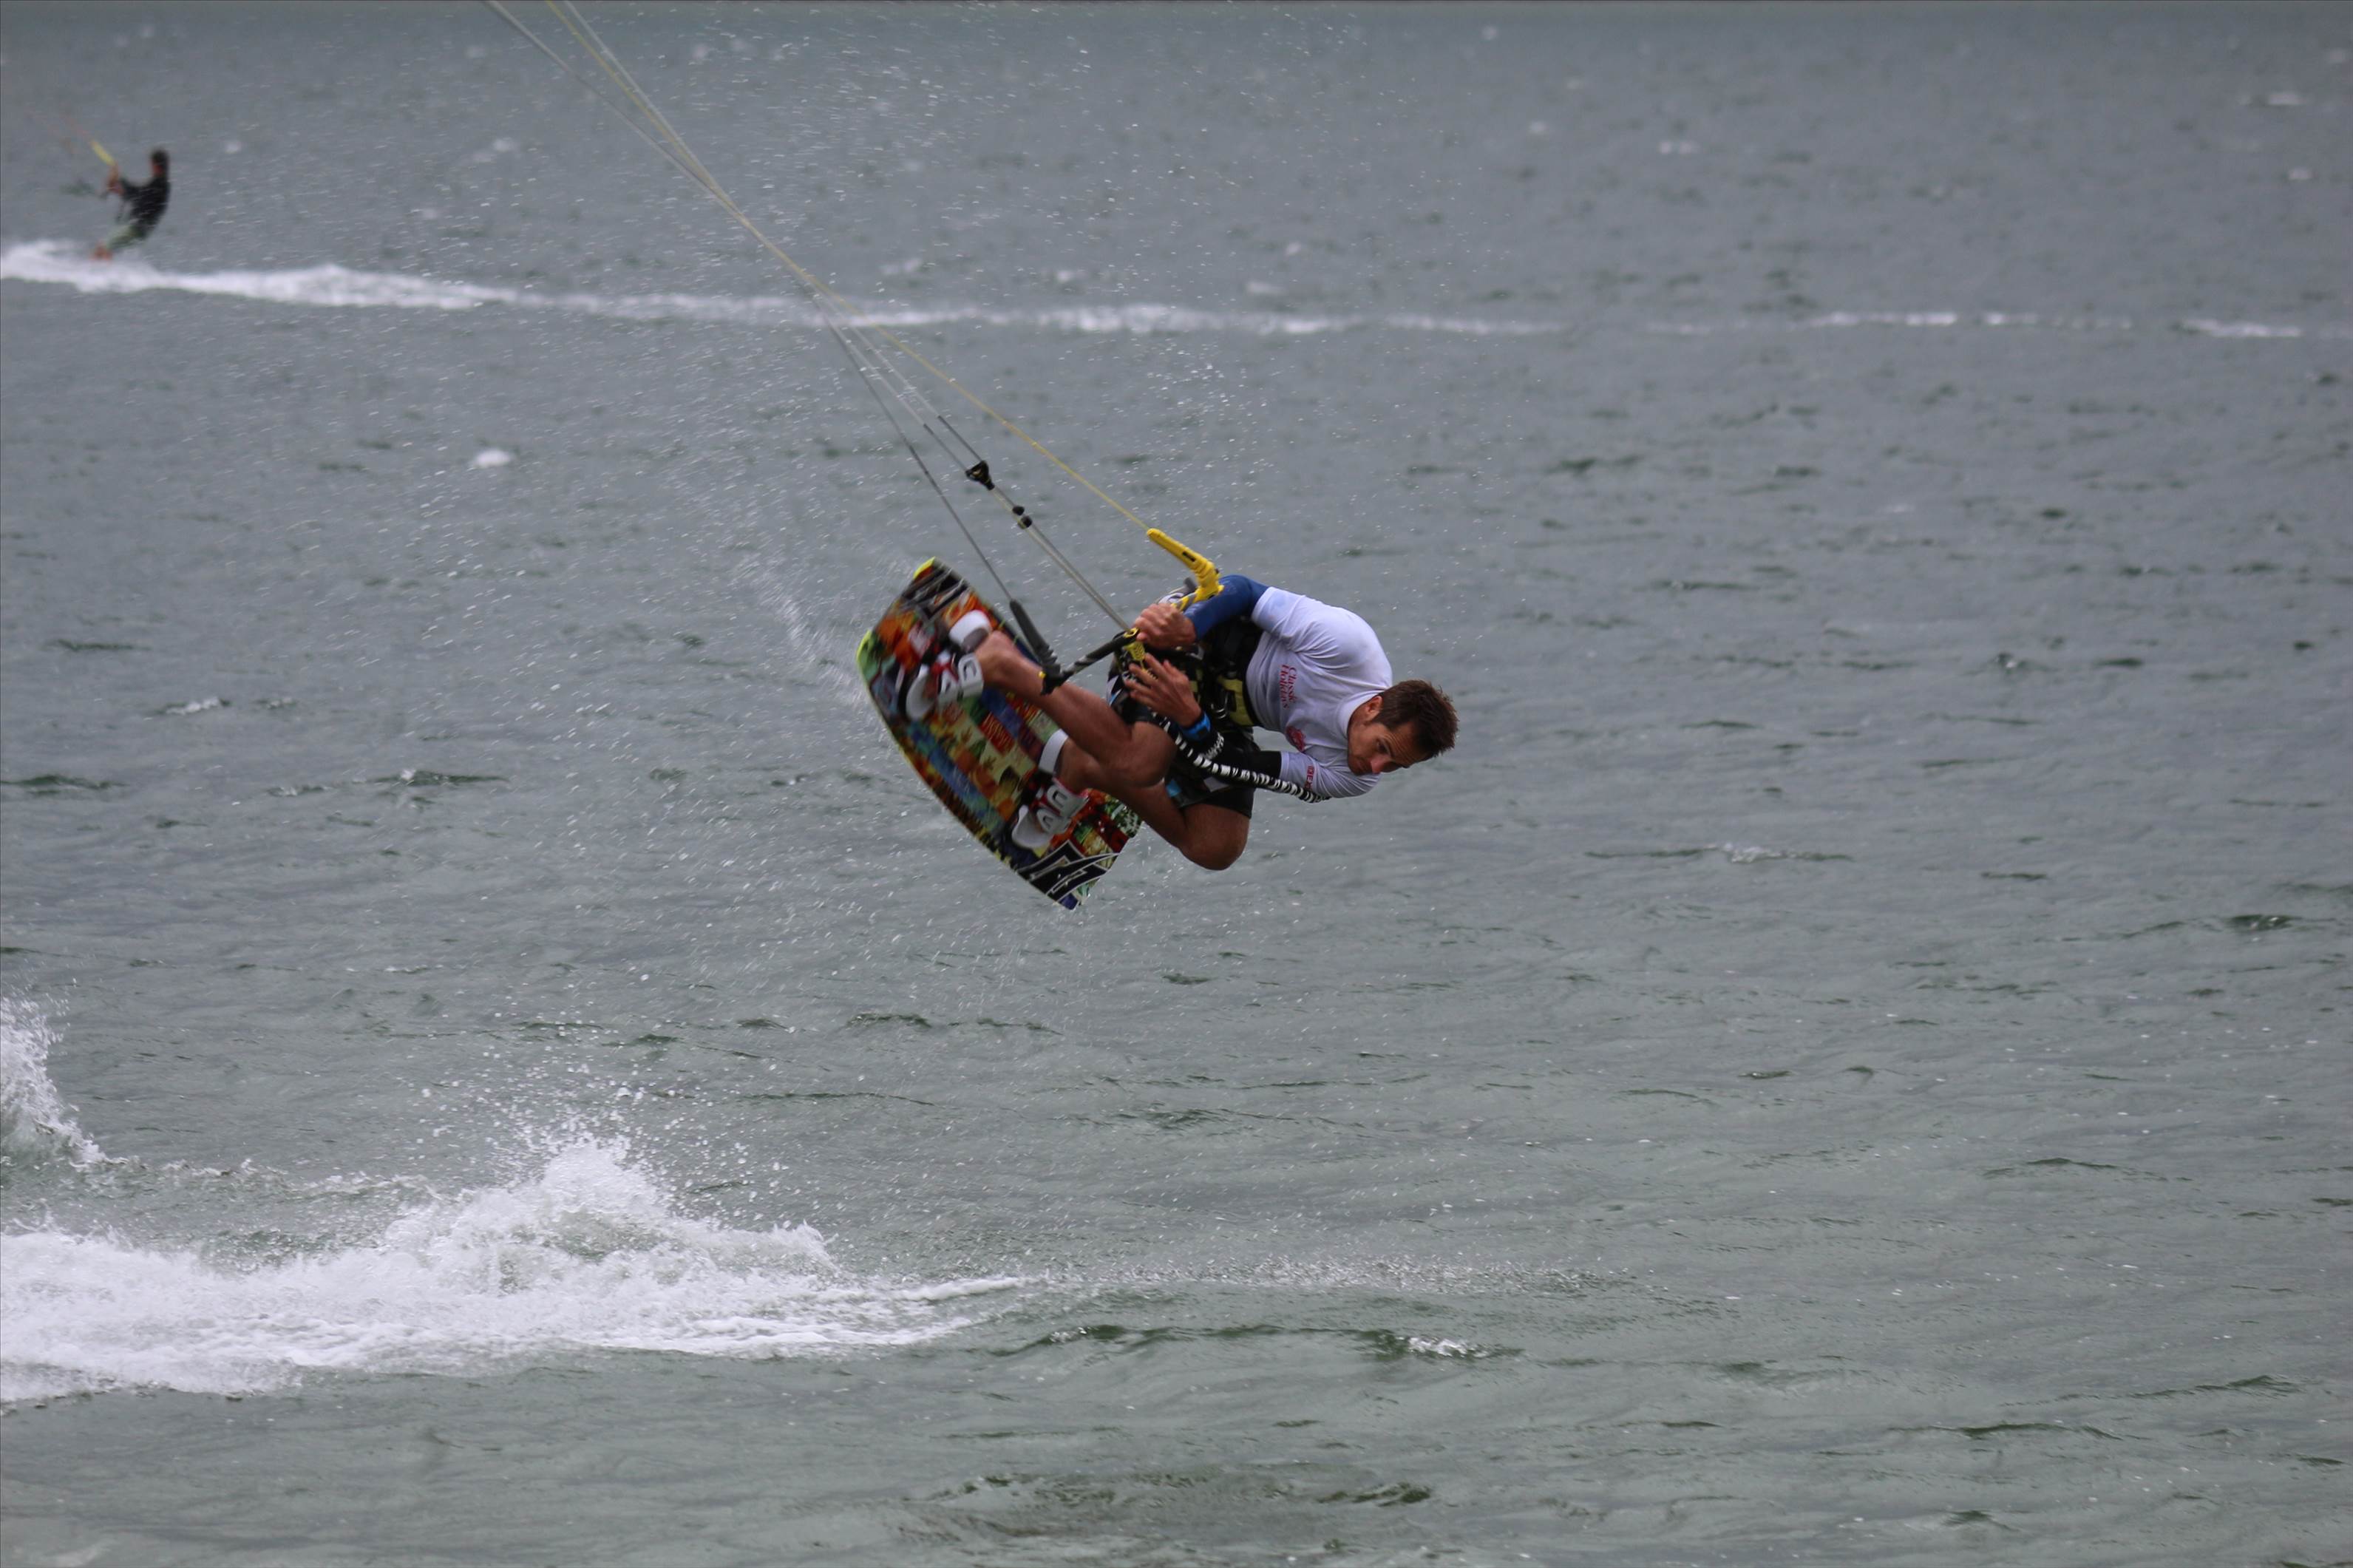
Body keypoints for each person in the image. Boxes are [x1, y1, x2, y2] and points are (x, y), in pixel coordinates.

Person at [932, 574, 1456, 871]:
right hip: (1190, 637)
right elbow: (1243, 590)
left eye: (1395, 767)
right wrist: (1186, 625)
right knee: (1142, 760)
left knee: (1215, 846)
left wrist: (1194, 721)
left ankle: (1081, 764)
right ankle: (1004, 663)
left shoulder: (1355, 778)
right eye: (1383, 749)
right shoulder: (1349, 646)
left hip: (1219, 712)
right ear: (1373, 707)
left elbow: (1247, 765)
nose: (1375, 768)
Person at [92, 147, 169, 260]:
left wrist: (119, 178)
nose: (151, 167)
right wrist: (117, 187)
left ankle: (103, 271)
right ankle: (101, 270)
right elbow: (137, 196)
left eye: (151, 164)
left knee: (104, 248)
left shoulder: (159, 184)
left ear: (155, 165)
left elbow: (137, 193)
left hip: (137, 229)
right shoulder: (161, 184)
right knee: (103, 249)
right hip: (140, 230)